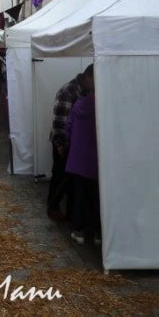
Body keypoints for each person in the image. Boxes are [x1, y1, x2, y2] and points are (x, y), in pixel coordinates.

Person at [47, 64, 94, 221]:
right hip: (63, 142)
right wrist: (62, 145)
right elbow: (60, 122)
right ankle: (52, 207)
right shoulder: (69, 90)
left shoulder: (85, 90)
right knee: (60, 176)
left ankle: (71, 212)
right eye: (94, 81)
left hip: (76, 143)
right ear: (88, 77)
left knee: (71, 178)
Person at [65, 92, 101, 245]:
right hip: (97, 161)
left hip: (78, 159)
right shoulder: (103, 104)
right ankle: (98, 234)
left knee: (79, 196)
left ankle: (78, 232)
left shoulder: (79, 105)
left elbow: (68, 127)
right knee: (97, 198)